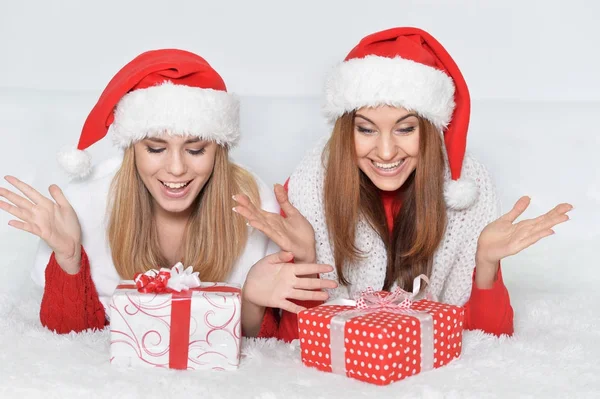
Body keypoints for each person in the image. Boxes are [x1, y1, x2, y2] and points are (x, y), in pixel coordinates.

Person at [234, 27, 573, 341]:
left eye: (405, 129)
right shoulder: (312, 186)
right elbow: (295, 346)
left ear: (429, 129)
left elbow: (485, 345)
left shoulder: (467, 189)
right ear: (346, 131)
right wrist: (305, 257)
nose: (385, 151)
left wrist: (486, 263)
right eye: (366, 129)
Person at [0, 49, 333, 336]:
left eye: (196, 149)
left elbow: (274, 351)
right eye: (156, 149)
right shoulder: (91, 203)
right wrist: (70, 257)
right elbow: (70, 342)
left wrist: (253, 298)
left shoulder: (256, 205)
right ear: (132, 149)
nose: (176, 169)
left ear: (219, 150)